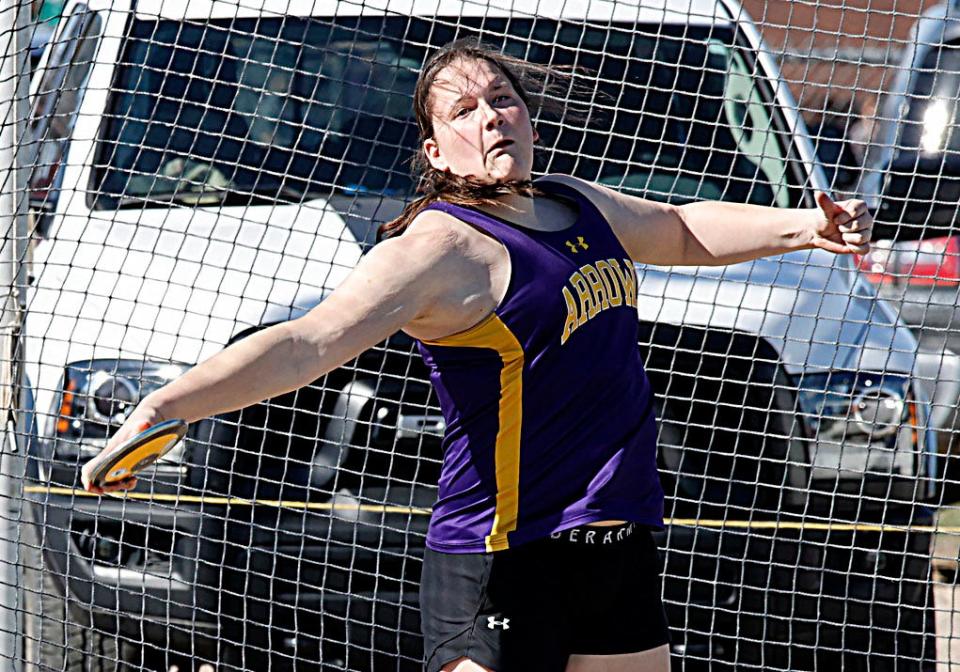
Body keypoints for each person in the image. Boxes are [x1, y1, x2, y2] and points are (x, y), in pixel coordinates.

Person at [82, 39, 873, 672]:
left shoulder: (574, 205)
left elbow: (676, 228)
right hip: (501, 556)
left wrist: (807, 227)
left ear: (530, 122)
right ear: (436, 148)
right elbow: (308, 342)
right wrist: (166, 405)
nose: (493, 116)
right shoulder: (436, 249)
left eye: (504, 100)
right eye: (467, 109)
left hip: (612, 535)